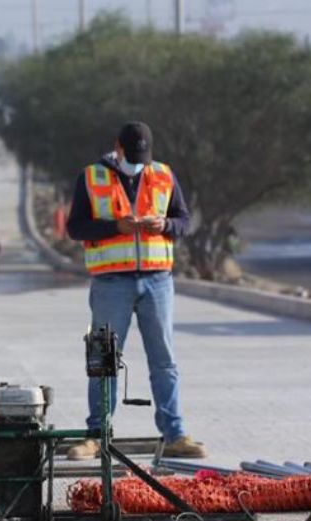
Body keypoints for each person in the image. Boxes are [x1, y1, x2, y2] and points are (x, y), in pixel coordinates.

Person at [64, 122, 204, 461]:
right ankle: (96, 435)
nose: (139, 162)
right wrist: (116, 227)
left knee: (164, 362)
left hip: (157, 280)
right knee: (104, 361)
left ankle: (175, 434)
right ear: (119, 148)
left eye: (145, 156)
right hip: (111, 283)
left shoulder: (163, 175)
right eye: (133, 155)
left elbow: (184, 220)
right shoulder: (92, 177)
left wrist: (166, 225)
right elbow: (75, 227)